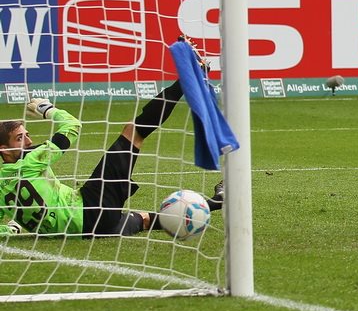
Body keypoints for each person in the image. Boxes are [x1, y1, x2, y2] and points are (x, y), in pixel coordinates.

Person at [0, 81, 224, 237]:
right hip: (90, 209)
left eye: (27, 134)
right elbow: (72, 126)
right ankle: (183, 83)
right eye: (20, 138)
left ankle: (218, 201)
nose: (29, 141)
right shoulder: (33, 160)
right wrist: (47, 109)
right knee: (134, 131)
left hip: (91, 231)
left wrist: (12, 228)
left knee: (145, 219)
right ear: (4, 150)